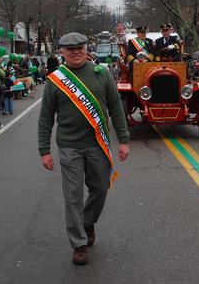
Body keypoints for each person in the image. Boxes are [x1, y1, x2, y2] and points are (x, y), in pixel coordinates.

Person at [38, 32, 130, 265]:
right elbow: (46, 118)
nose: (76, 52)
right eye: (70, 49)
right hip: (69, 146)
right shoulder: (55, 80)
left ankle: (87, 223)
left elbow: (116, 108)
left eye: (79, 48)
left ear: (86, 49)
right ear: (62, 52)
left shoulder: (102, 74)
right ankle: (78, 243)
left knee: (100, 189)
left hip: (97, 144)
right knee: (73, 196)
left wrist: (124, 140)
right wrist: (44, 150)